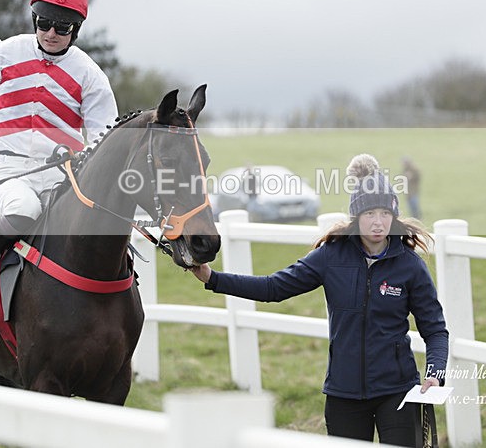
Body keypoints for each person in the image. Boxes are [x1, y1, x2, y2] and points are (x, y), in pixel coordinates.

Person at [190, 153, 449, 446]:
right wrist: (213, 279)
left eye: (385, 214)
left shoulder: (410, 265)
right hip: (344, 394)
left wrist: (435, 373)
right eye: (369, 215)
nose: (378, 223)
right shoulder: (330, 256)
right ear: (355, 217)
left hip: (399, 392)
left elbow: (435, 330)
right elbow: (274, 288)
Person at [0, 0, 118, 321]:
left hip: (61, 176)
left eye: (62, 27)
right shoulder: (5, 51)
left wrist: (89, 156)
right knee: (24, 210)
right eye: (44, 24)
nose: (51, 34)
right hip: (12, 172)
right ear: (34, 19)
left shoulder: (90, 76)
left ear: (76, 29)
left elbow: (105, 135)